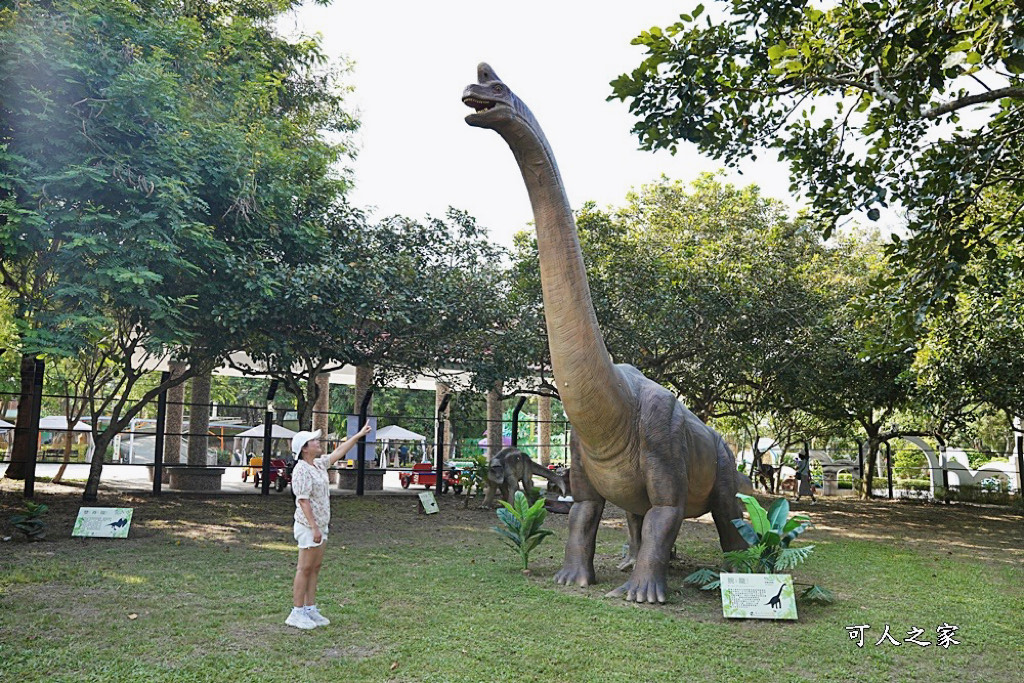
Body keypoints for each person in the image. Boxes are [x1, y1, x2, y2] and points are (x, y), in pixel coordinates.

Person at [285, 423, 372, 630]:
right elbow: (303, 501)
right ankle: (296, 612)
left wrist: (358, 435)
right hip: (309, 527)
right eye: (314, 441)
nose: (318, 442)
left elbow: (340, 452)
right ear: (304, 448)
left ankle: (310, 608)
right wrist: (314, 528)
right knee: (304, 568)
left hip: (321, 525)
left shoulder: (318, 464)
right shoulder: (301, 470)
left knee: (315, 568)